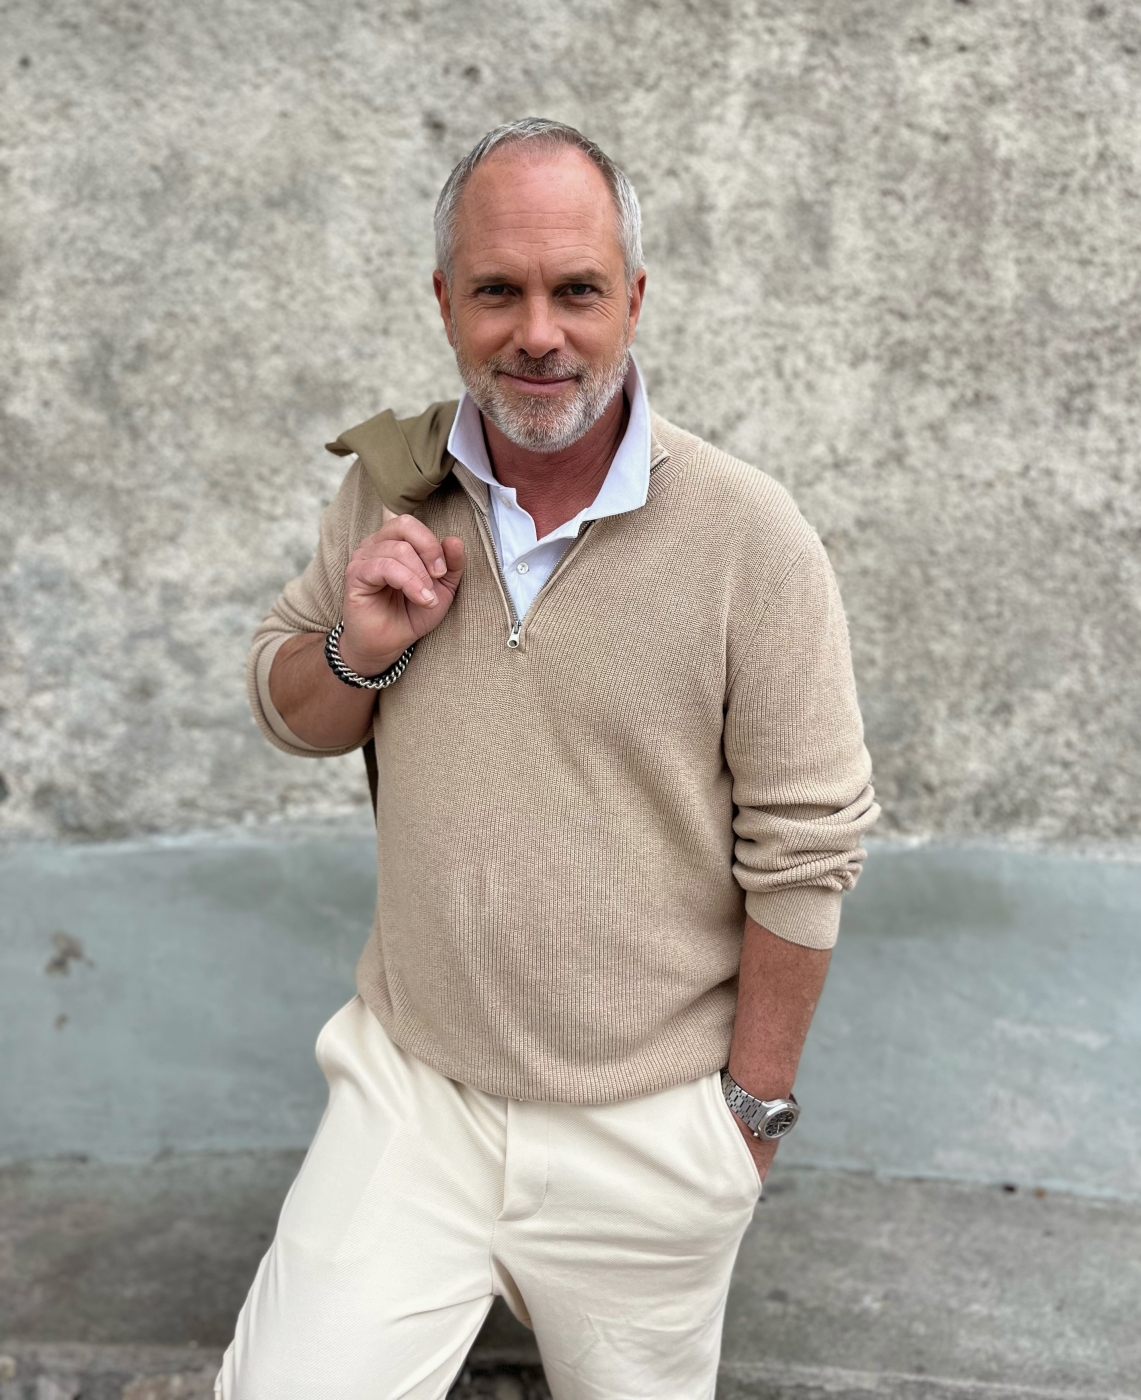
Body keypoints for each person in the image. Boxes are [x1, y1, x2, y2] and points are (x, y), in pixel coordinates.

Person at [220, 117, 878, 1400]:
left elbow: (806, 850)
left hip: (650, 1125)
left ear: (633, 297)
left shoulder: (751, 537)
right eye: (496, 292)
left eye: (576, 289)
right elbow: (290, 707)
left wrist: (745, 1121)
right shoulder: (393, 489)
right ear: (443, 301)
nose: (537, 333)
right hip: (413, 1095)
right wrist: (361, 647)